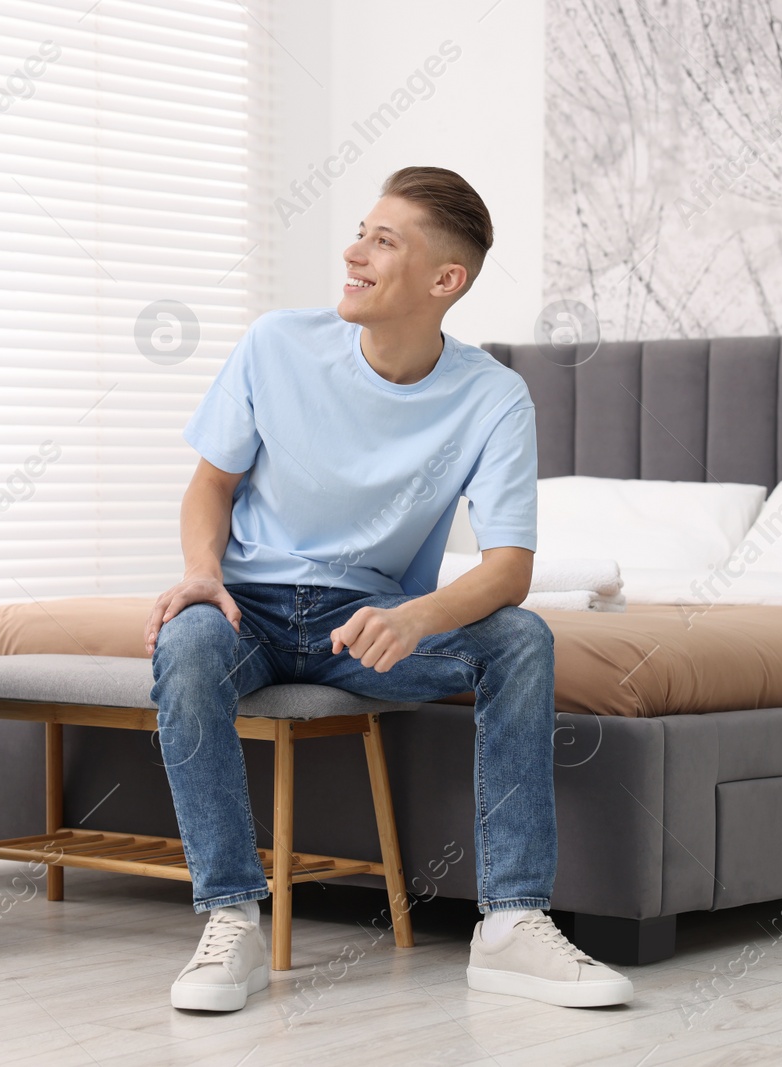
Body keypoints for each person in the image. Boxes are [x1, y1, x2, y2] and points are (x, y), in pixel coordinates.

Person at [143, 166, 634, 1013]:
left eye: (382, 240)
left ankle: (513, 924)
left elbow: (508, 568)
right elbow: (210, 486)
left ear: (447, 280)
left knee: (521, 637)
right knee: (185, 644)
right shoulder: (276, 344)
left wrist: (418, 617)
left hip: (367, 623)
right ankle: (230, 920)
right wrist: (200, 571)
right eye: (360, 231)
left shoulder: (492, 398)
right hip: (249, 606)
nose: (352, 251)